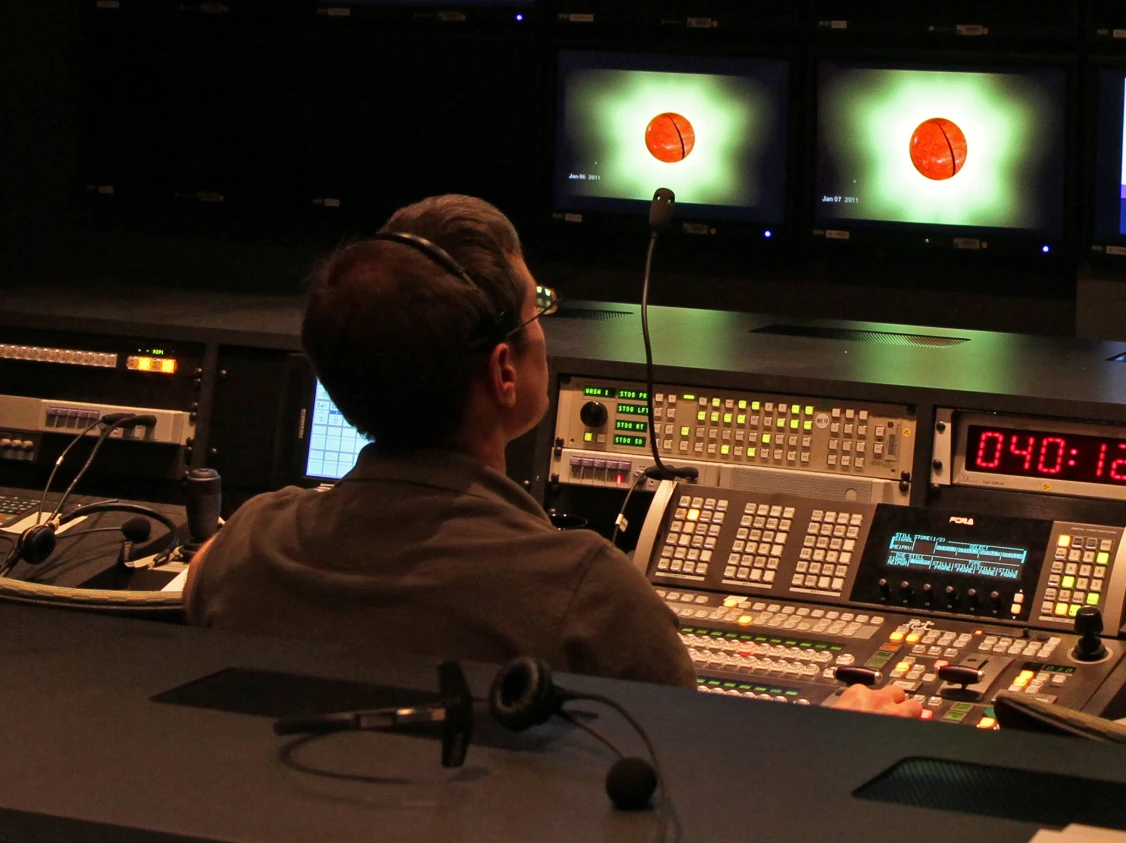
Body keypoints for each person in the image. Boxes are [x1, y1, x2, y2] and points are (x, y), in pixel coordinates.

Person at [183, 194, 918, 712]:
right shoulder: (588, 596)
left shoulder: (245, 546)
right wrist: (833, 736)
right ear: (504, 372)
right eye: (542, 310)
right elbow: (699, 789)